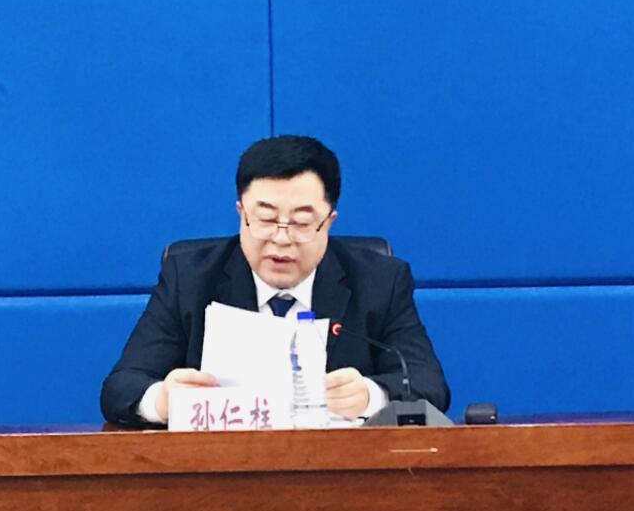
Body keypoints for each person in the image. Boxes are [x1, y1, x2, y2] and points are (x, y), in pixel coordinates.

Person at [101, 135, 449, 426]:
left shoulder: (380, 281)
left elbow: (429, 385)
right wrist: (162, 401)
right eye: (266, 219)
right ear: (241, 213)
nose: (281, 239)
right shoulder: (189, 279)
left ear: (328, 221)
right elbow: (120, 388)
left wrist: (371, 396)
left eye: (301, 223)